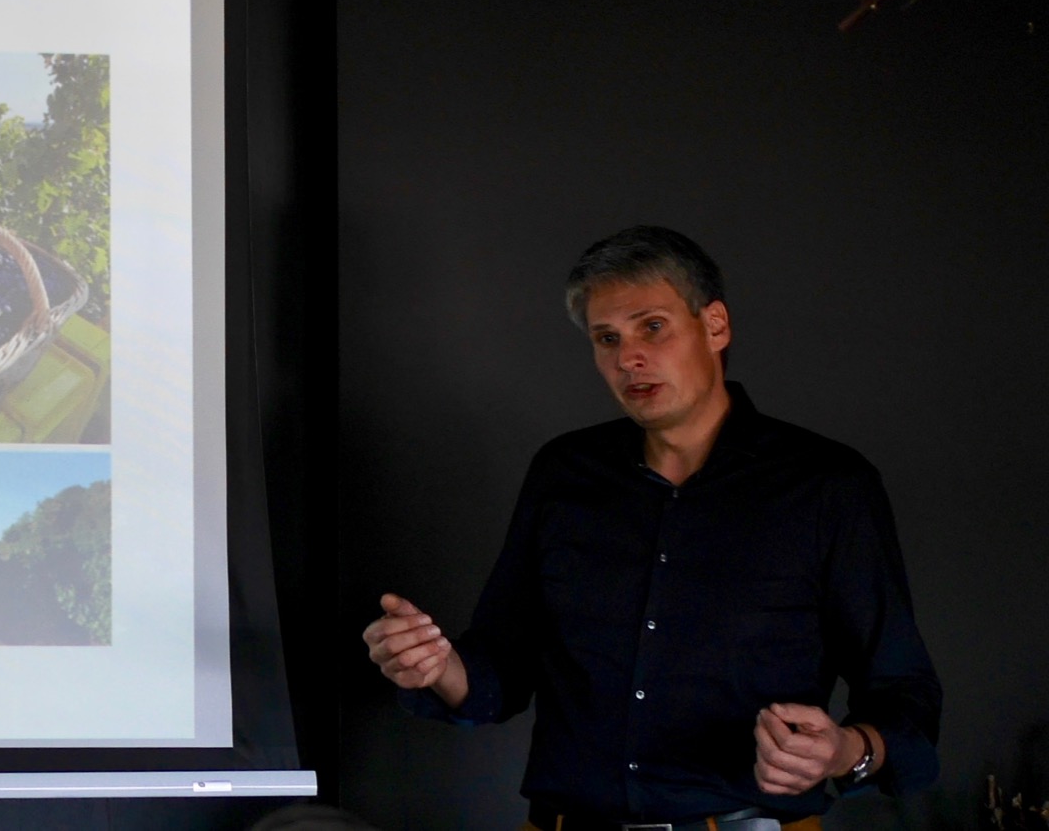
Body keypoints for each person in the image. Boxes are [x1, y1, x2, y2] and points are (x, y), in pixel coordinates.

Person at [363, 226, 940, 830]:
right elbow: (501, 670)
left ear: (714, 325)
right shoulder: (563, 474)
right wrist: (437, 667)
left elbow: (905, 692)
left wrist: (846, 751)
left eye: (653, 327)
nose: (627, 358)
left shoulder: (827, 486)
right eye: (606, 338)